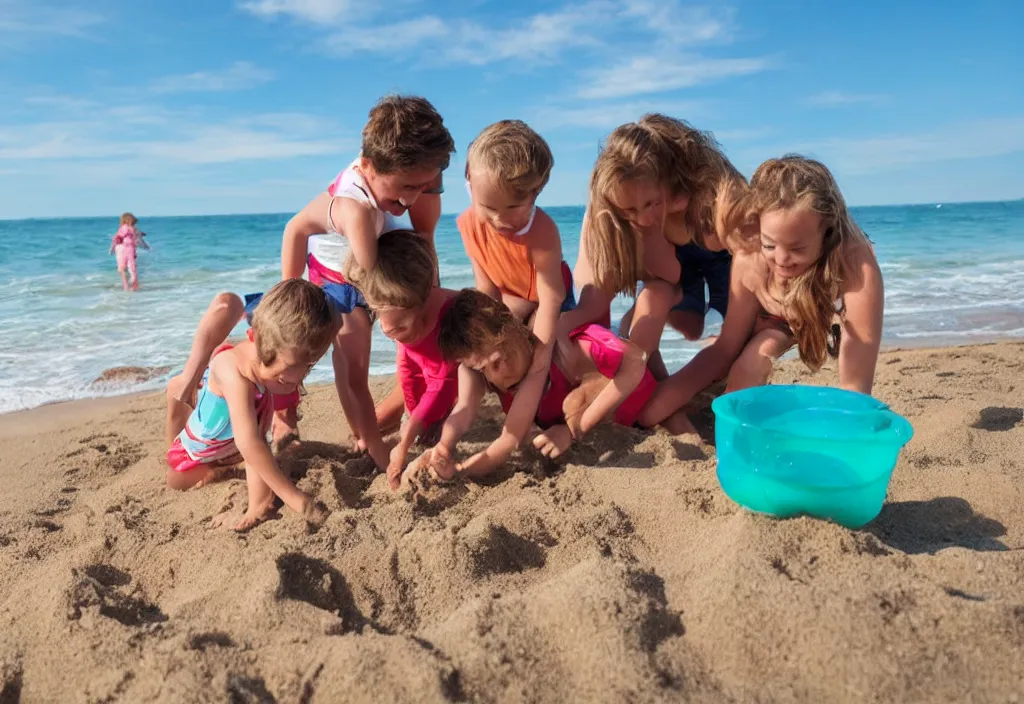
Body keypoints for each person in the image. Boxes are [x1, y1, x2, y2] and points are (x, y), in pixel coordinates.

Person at [637, 155, 885, 427]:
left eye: (797, 249)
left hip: (818, 308)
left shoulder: (854, 262)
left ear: (827, 233)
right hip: (770, 319)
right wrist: (653, 409)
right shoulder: (751, 257)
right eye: (770, 245)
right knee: (749, 363)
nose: (781, 259)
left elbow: (856, 384)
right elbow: (724, 350)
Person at [278, 95, 455, 468]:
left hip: (379, 265)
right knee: (350, 367)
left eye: (422, 186)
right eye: (404, 187)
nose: (411, 198)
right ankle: (366, 444)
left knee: (429, 331)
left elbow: (426, 238)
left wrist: (432, 296)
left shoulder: (423, 175)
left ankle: (404, 416)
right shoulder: (355, 209)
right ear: (369, 165)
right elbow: (296, 228)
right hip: (339, 280)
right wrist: (288, 293)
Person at [402, 290, 688, 483]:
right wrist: (443, 448)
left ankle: (656, 298)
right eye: (481, 368)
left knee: (666, 407)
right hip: (607, 419)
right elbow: (464, 410)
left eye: (497, 361)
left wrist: (574, 430)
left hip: (638, 399)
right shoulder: (480, 368)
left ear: (513, 330)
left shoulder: (567, 350)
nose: (494, 374)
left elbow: (636, 360)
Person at [560, 115, 744, 379]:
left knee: (665, 303)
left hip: (686, 256)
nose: (645, 217)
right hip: (624, 260)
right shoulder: (611, 215)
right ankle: (645, 373)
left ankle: (651, 373)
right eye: (632, 209)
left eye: (653, 203)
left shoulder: (698, 197)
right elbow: (593, 301)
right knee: (606, 326)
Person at [164, 279, 335, 531]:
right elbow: (249, 443)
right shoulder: (233, 371)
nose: (296, 378)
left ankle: (257, 500)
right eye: (286, 373)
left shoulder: (273, 353)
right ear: (257, 340)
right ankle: (181, 391)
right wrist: (296, 499)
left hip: (237, 441)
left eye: (308, 367)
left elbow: (254, 440)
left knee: (256, 442)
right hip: (208, 447)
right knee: (175, 480)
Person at [455, 119, 572, 475]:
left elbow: (551, 297)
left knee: (535, 359)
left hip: (550, 299)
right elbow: (486, 288)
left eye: (510, 208)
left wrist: (541, 348)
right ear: (469, 182)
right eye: (487, 206)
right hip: (510, 297)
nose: (497, 219)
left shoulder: (542, 231)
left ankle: (506, 443)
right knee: (479, 346)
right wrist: (486, 329)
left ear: (535, 193)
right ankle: (461, 413)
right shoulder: (468, 222)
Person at [342, 230, 458, 490]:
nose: (388, 331)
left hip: (459, 384)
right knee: (376, 425)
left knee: (441, 426)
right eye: (384, 326)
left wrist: (407, 438)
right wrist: (411, 416)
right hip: (432, 380)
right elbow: (407, 370)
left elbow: (443, 381)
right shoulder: (393, 310)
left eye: (399, 329)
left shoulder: (450, 316)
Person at [109, 212, 150, 291]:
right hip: (130, 250)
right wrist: (145, 245)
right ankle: (134, 285)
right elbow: (138, 237)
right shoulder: (132, 228)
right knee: (131, 268)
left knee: (123, 269)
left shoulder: (124, 228)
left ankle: (127, 287)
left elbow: (116, 237)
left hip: (123, 250)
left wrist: (112, 248)